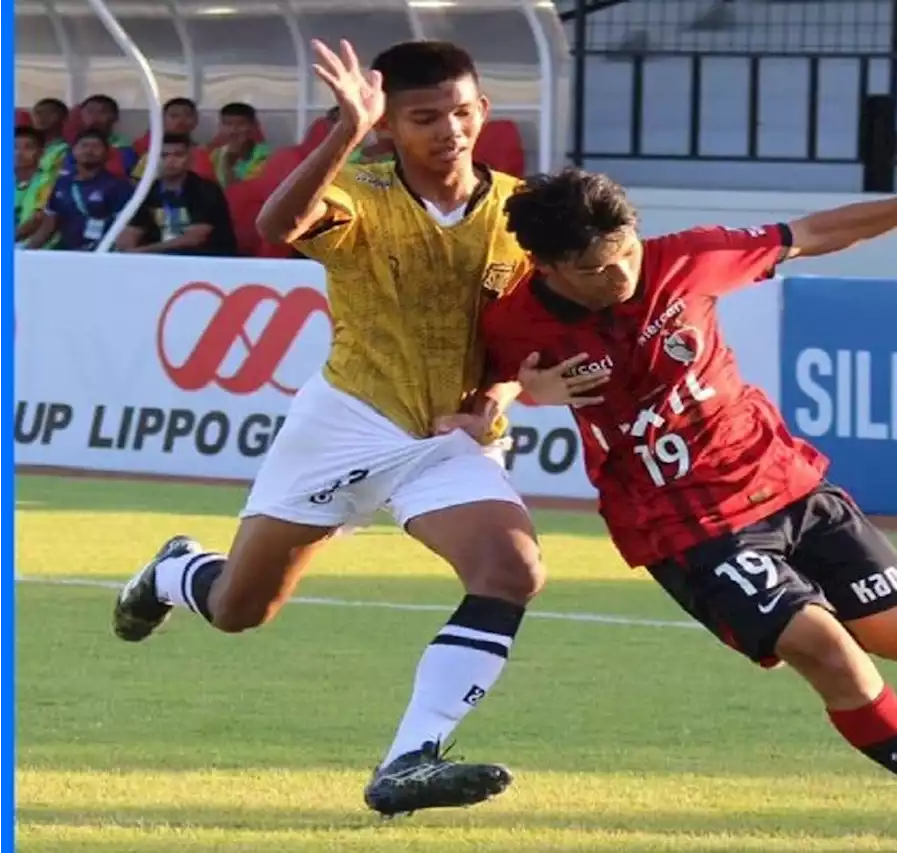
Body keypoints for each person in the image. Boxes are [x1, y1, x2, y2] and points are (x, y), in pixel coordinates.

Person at [481, 160, 897, 840]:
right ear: (545, 267)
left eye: (627, 252)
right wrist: (523, 393)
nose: (622, 276)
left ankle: (793, 602)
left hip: (789, 484)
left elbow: (817, 230)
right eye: (597, 271)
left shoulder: (689, 258)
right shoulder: (512, 322)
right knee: (828, 651)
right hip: (688, 525)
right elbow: (483, 388)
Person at [110, 39, 586, 818]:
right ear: (389, 126)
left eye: (462, 112)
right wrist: (342, 132)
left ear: (484, 112)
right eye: (424, 117)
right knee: (240, 609)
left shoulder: (520, 210)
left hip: (445, 438)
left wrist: (498, 395)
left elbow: (520, 325)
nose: (450, 130)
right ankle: (172, 571)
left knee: (512, 571)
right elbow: (277, 221)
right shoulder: (358, 188)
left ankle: (409, 758)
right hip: (344, 423)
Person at [116, 133, 237, 256]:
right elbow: (130, 235)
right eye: (164, 155)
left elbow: (194, 239)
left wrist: (143, 251)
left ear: (190, 159)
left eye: (178, 155)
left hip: (204, 260)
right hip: (159, 260)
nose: (171, 161)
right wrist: (128, 248)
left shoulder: (206, 189)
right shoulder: (147, 191)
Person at [24, 129, 135, 251]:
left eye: (96, 147)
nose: (89, 150)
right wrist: (27, 252)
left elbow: (126, 228)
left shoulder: (119, 186)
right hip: (66, 252)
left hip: (101, 253)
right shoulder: (62, 183)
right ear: (73, 151)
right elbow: (49, 225)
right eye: (84, 146)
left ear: (107, 153)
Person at [211, 102, 271, 186]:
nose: (233, 130)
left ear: (253, 126)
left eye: (241, 124)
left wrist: (229, 163)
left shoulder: (266, 156)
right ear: (219, 126)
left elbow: (243, 193)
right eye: (227, 124)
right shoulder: (216, 154)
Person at [15, 127, 54, 246]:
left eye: (28, 147)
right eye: (14, 146)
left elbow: (38, 219)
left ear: (41, 152)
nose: (19, 153)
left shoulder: (49, 181)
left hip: (33, 249)